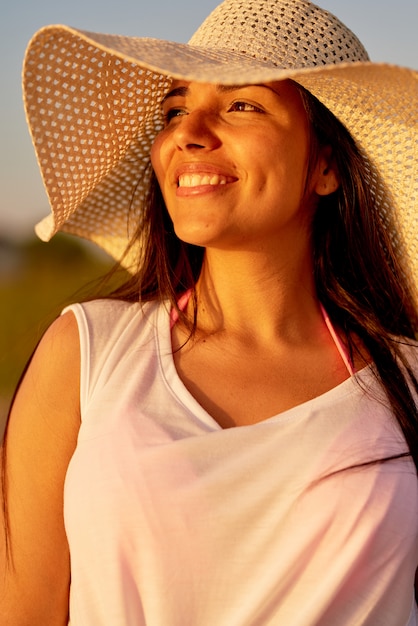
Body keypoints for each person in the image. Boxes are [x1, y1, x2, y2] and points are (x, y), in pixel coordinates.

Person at [1, 0, 418, 623]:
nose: (188, 132)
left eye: (241, 104)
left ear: (326, 165)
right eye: (174, 109)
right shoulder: (86, 353)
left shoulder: (407, 379)